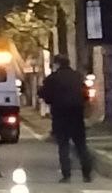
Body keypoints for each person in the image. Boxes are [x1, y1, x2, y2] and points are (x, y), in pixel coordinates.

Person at [39, 54, 92, 183]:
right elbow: (86, 95)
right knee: (81, 145)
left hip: (60, 115)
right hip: (76, 114)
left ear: (56, 64)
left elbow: (45, 95)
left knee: (63, 145)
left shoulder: (52, 79)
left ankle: (66, 175)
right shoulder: (78, 77)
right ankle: (87, 174)